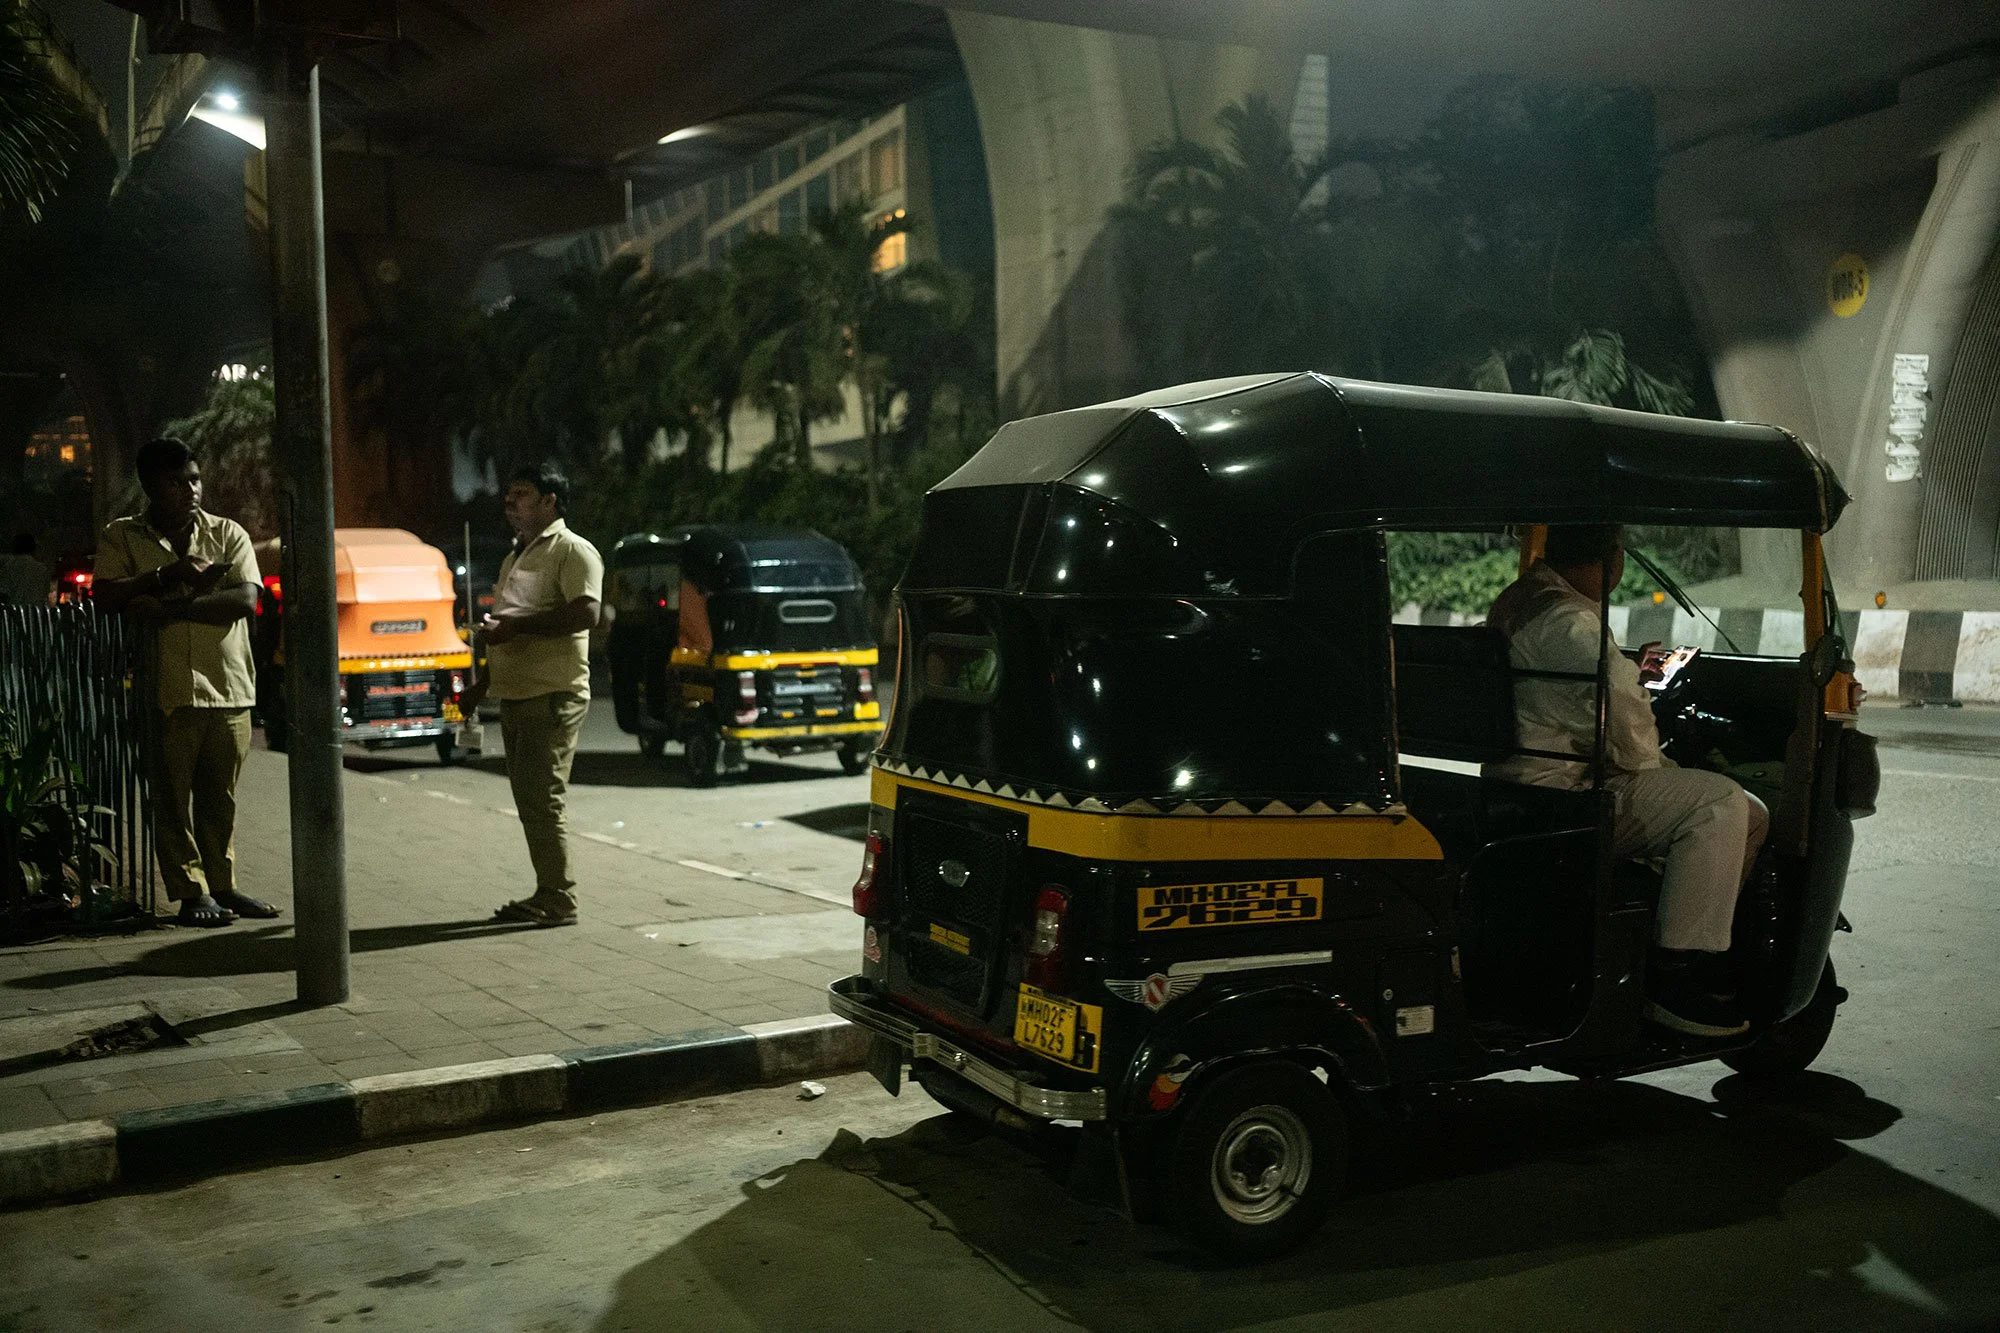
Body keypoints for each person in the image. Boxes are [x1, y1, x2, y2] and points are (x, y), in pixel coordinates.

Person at [1484, 524, 1768, 1038]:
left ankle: (1680, 931)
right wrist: (1651, 768)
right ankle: (1672, 974)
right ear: (1613, 558)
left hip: (1518, 783)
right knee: (1720, 801)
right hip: (1563, 796)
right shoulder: (1571, 622)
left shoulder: (1519, 602)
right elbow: (1627, 714)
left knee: (1738, 809)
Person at [93, 438, 279, 927]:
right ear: (151, 486)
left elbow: (243, 600)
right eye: (177, 481)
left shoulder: (227, 534)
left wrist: (168, 608)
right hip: (165, 687)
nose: (191, 489)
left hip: (228, 685)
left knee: (221, 796)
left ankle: (223, 886)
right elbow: (107, 596)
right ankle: (190, 891)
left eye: (194, 479)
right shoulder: (123, 536)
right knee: (171, 797)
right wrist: (166, 574)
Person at [459, 464, 603, 927]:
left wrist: (518, 628)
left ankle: (560, 898)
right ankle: (548, 891)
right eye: (508, 495)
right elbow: (509, 621)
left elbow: (587, 613)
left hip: (552, 692)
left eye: (521, 494)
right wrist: (482, 684)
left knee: (544, 797)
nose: (510, 503)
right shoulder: (515, 557)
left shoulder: (573, 551)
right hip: (516, 693)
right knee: (529, 799)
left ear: (549, 501)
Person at [0, 532, 51, 605]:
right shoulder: (41, 568)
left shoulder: (9, 566)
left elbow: (3, 591)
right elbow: (44, 593)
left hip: (14, 610)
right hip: (35, 612)